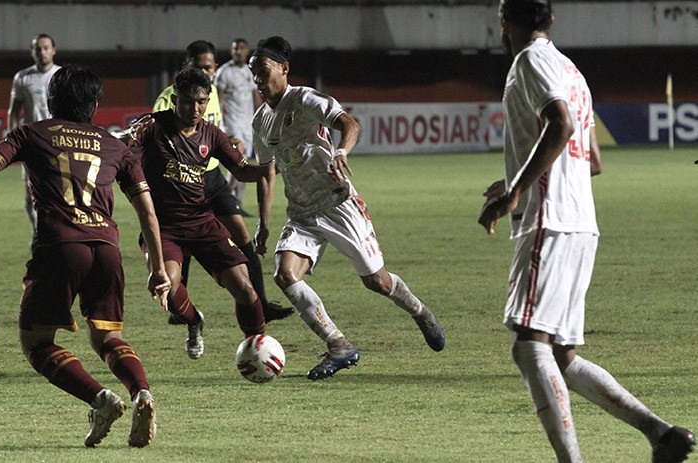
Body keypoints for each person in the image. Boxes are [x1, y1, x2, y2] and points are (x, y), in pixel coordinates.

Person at [477, 1, 694, 462]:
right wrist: (518, 174)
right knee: (560, 356)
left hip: (548, 219)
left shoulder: (530, 60)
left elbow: (561, 123)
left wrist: (515, 190)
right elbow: (591, 158)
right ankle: (660, 433)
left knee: (528, 346)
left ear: (504, 20)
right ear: (551, 20)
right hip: (580, 223)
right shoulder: (572, 70)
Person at [0, 66, 171, 449]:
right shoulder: (114, 146)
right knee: (108, 337)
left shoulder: (32, 133)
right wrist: (157, 268)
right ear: (96, 104)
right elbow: (148, 212)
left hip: (60, 247)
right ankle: (142, 393)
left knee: (37, 343)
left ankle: (100, 399)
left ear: (51, 100)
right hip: (107, 249)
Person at [249, 36, 446, 381]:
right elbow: (267, 173)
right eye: (253, 74)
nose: (258, 80)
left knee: (377, 282)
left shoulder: (305, 99)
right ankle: (339, 344)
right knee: (284, 275)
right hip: (302, 212)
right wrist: (264, 223)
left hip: (337, 203)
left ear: (284, 68)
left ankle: (419, 310)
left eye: (263, 71)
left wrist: (341, 152)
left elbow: (349, 124)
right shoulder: (260, 121)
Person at [133, 66, 272, 360]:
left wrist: (273, 167)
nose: (195, 108)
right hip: (164, 227)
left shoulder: (212, 134)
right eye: (187, 101)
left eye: (201, 101)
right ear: (175, 99)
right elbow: (123, 143)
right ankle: (194, 322)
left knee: (246, 289)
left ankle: (260, 349)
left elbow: (243, 170)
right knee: (167, 288)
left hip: (202, 223)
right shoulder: (153, 126)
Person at [151, 39, 293, 324]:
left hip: (213, 175)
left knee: (241, 235)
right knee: (183, 243)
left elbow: (211, 127)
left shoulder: (210, 91)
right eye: (201, 67)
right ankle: (181, 308)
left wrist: (229, 140)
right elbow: (158, 128)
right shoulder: (168, 100)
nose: (207, 72)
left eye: (210, 67)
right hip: (182, 181)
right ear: (186, 67)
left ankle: (259, 302)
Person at [8, 33, 61, 234]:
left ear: (54, 50)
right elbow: (14, 110)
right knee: (31, 193)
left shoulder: (62, 75)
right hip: (32, 143)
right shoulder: (22, 78)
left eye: (46, 47)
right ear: (32, 52)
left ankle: (58, 232)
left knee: (59, 190)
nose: (42, 52)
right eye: (38, 48)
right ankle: (38, 232)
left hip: (58, 141)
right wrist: (12, 140)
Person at [215, 38, 263, 208]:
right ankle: (228, 198)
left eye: (241, 48)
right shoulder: (224, 72)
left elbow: (256, 98)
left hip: (247, 123)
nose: (238, 51)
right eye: (235, 48)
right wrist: (220, 124)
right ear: (231, 51)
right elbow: (217, 100)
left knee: (244, 161)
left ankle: (237, 202)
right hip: (231, 123)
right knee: (238, 160)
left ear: (247, 51)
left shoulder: (251, 71)